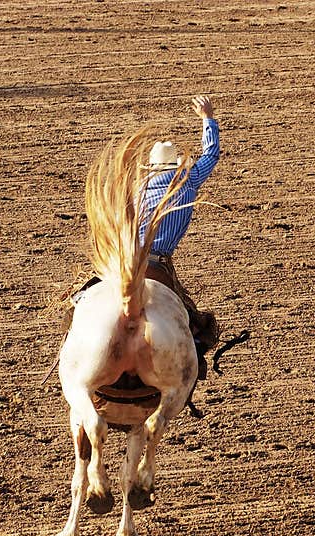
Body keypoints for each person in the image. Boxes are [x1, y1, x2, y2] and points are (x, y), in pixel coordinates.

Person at [69, 95, 221, 382]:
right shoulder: (187, 180)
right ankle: (194, 355)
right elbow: (211, 154)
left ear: (151, 168)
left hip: (126, 258)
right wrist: (207, 118)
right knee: (190, 321)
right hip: (160, 263)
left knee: (81, 298)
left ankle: (72, 337)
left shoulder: (139, 187)